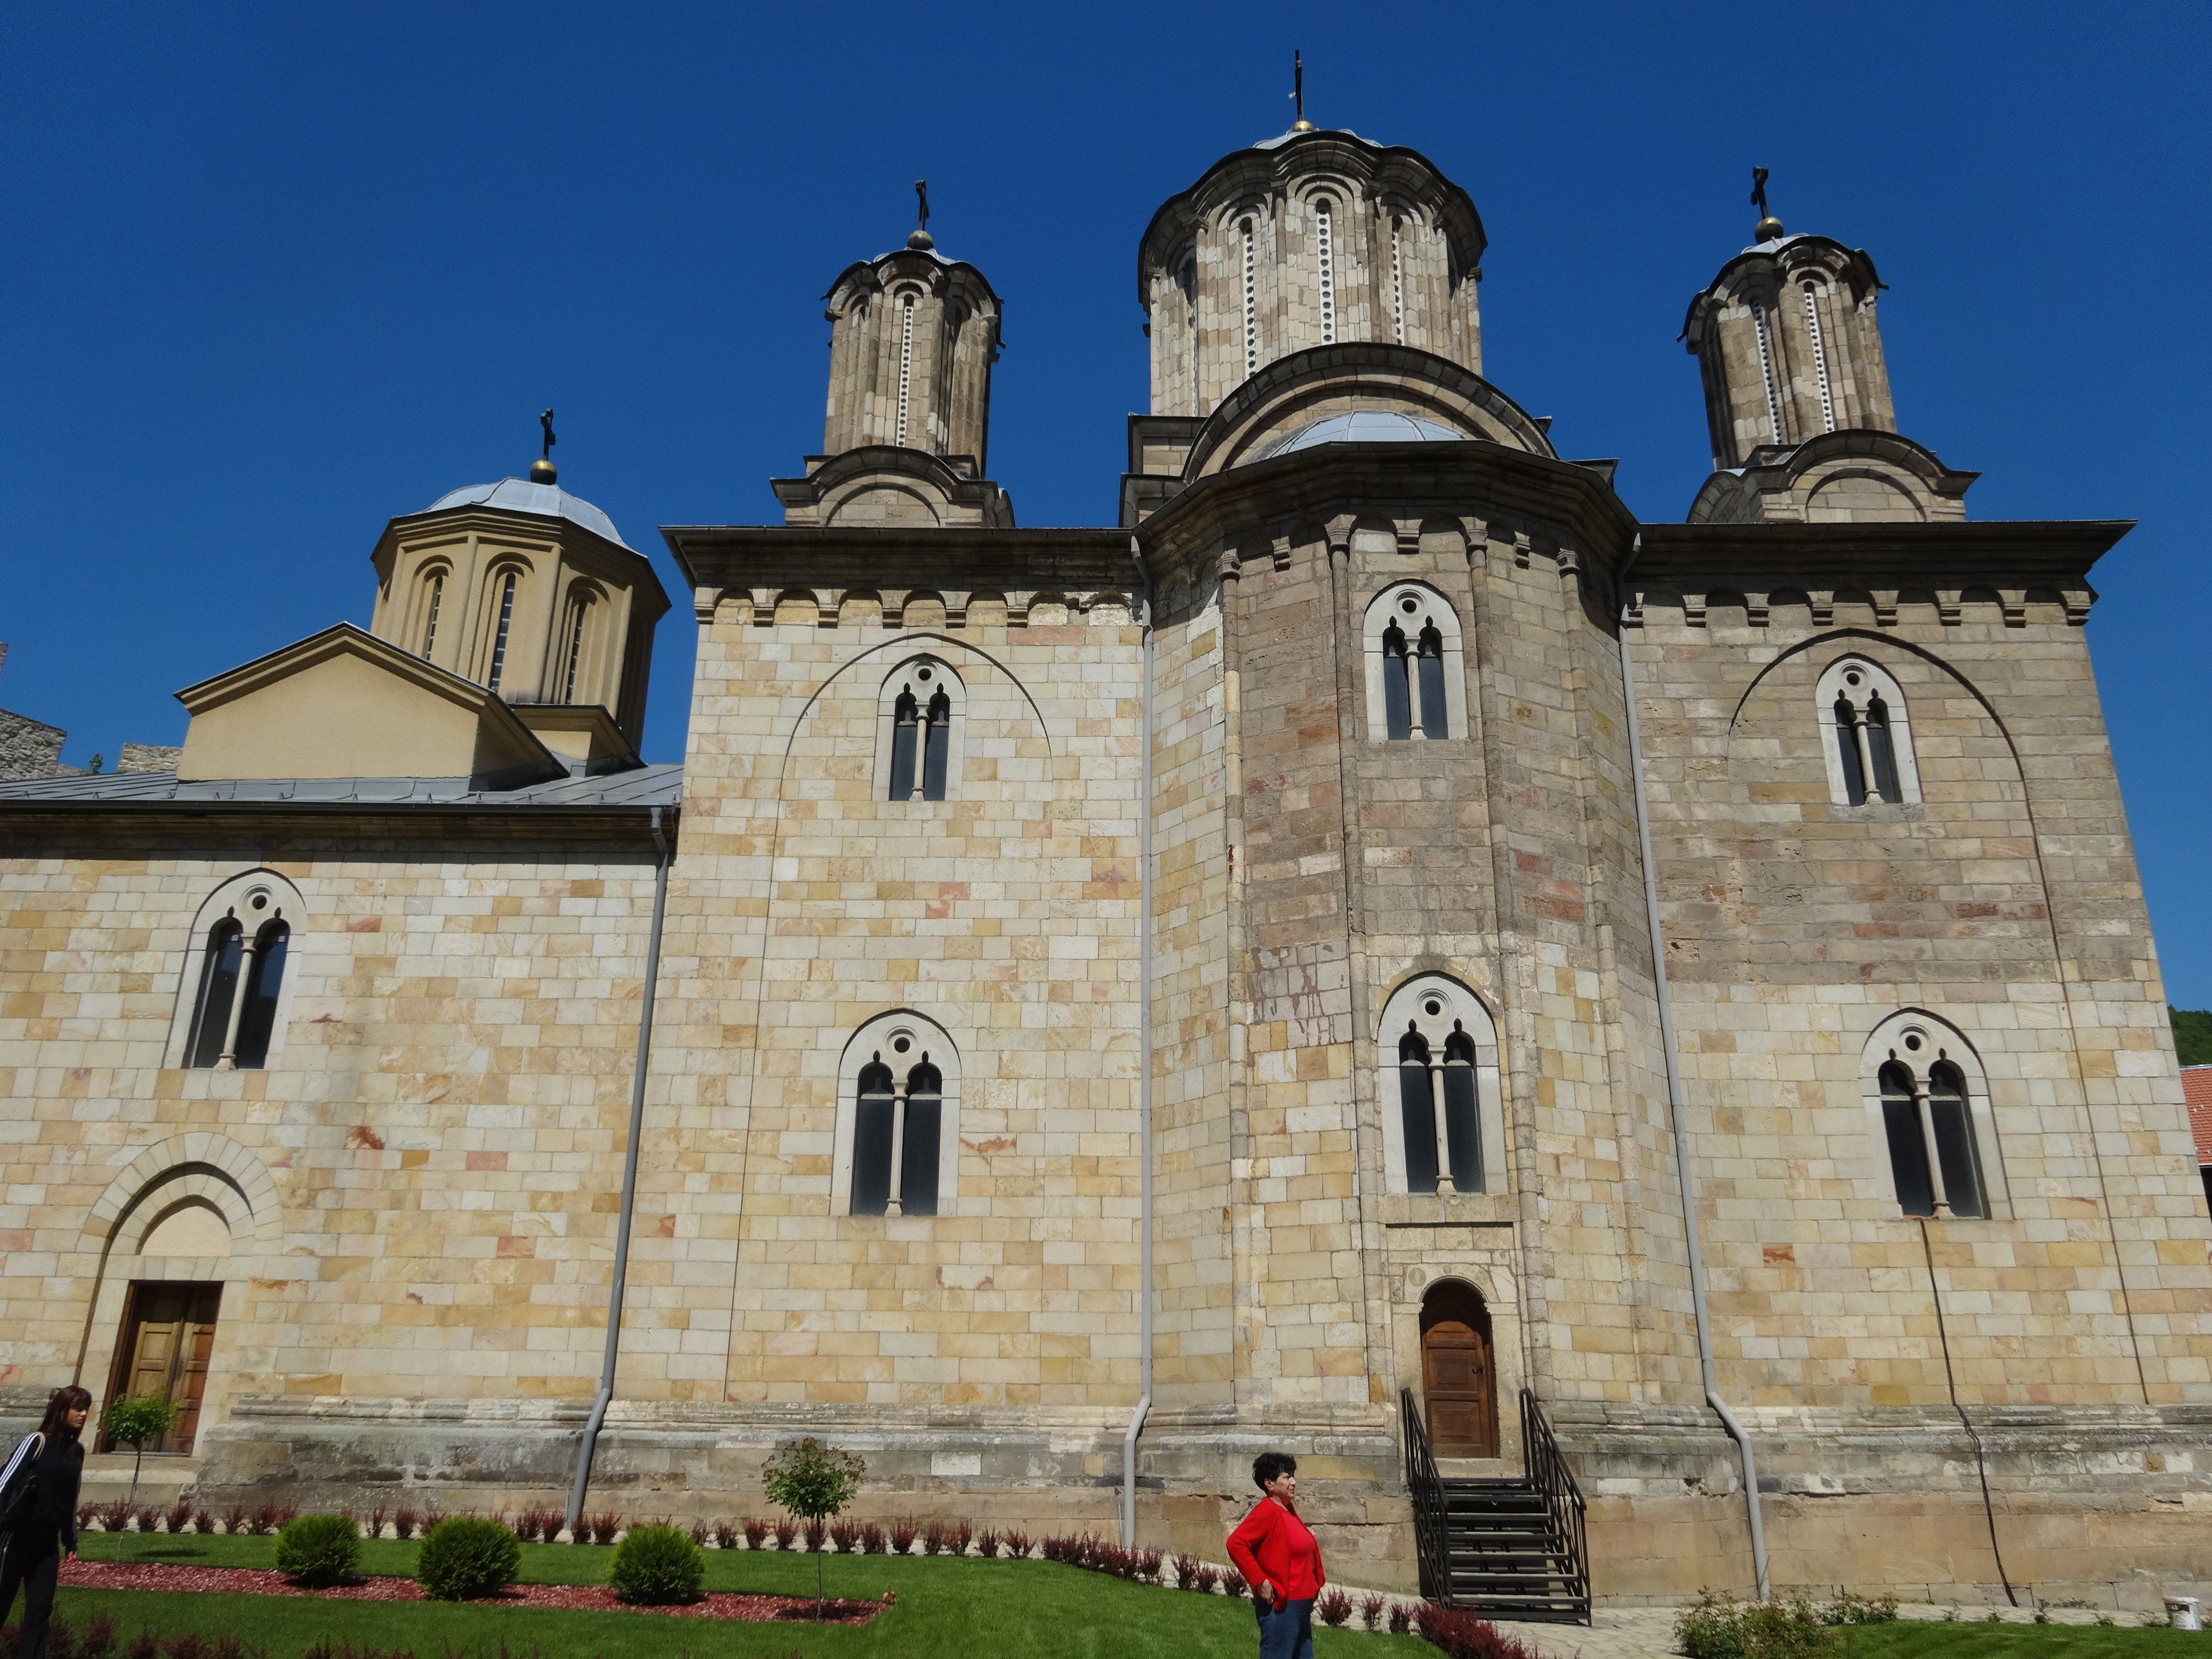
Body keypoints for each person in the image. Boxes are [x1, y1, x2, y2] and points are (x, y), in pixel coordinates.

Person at [0, 1386, 91, 1659]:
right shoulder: (36, 1442)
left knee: (40, 1612)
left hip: (46, 1546)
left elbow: (71, 1498)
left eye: (86, 1408)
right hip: (14, 1539)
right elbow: (4, 1483)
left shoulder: (77, 1452)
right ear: (61, 1410)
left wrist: (70, 1538)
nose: (84, 1414)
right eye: (77, 1408)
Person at [1226, 1450, 1325, 1659]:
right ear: (1269, 1484)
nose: (1294, 1482)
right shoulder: (1268, 1511)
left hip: (1301, 1608)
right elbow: (1236, 1543)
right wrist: (1260, 1581)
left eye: (1293, 1476)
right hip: (1281, 1610)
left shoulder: (1288, 1510)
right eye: (1287, 1477)